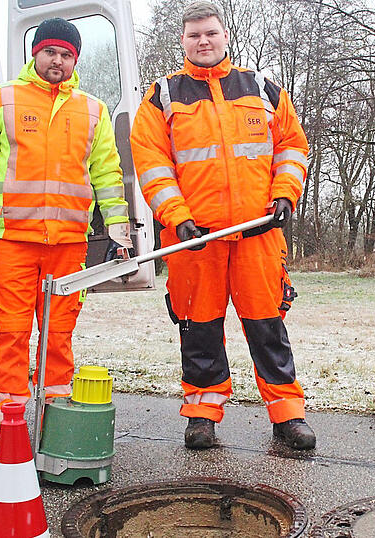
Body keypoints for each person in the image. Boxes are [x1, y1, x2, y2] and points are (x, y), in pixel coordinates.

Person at [0, 18, 132, 465]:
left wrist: (120, 231)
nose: (58, 60)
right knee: (10, 334)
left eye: (67, 54)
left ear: (75, 60)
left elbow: (107, 174)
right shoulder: (2, 99)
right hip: (14, 240)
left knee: (57, 337)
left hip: (68, 244)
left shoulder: (93, 110)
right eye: (51, 51)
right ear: (35, 53)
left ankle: (53, 424)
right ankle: (3, 430)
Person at [129, 1, 315, 450]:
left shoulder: (264, 89)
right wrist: (178, 218)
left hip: (258, 235)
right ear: (183, 41)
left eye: (210, 33)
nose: (203, 41)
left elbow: (292, 148)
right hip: (195, 240)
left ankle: (288, 416)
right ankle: (201, 415)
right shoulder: (162, 97)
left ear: (225, 35)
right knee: (199, 328)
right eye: (194, 35)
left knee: (269, 327)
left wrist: (286, 194)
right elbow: (152, 166)